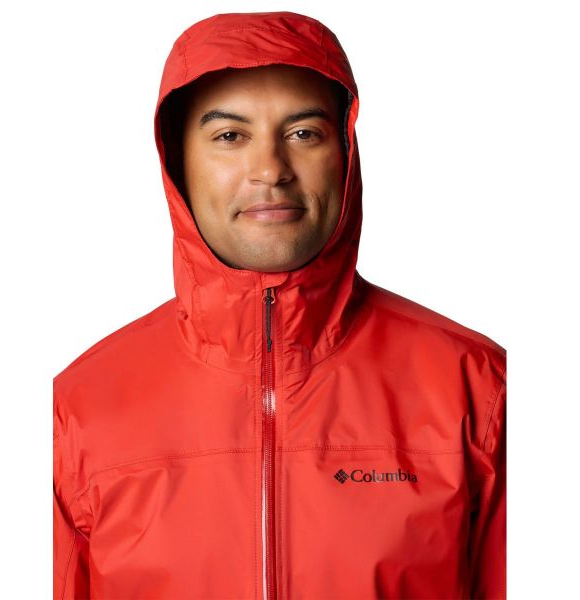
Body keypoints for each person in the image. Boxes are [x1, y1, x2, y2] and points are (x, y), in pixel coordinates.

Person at [53, 11, 506, 600]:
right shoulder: (78, 408)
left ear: (346, 154)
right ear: (177, 165)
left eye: (303, 133)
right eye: (229, 136)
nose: (269, 169)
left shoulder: (477, 388)